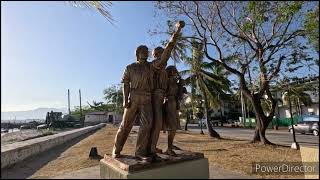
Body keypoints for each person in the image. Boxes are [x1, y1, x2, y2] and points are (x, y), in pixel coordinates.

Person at [112, 21, 185, 161]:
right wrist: (125, 99)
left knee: (147, 125)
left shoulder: (152, 67)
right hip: (133, 97)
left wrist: (176, 32)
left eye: (146, 51)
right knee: (125, 125)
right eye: (142, 51)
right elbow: (125, 83)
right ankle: (116, 150)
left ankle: (140, 152)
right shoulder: (130, 67)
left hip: (147, 99)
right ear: (137, 54)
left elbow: (167, 52)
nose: (145, 52)